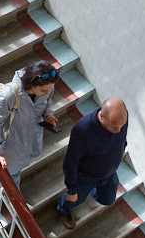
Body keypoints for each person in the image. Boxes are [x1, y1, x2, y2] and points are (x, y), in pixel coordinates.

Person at [55, 98, 128, 230]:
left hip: (109, 172)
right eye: (113, 127)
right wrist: (72, 190)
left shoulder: (120, 120)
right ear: (102, 116)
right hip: (86, 176)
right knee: (74, 199)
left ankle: (89, 190)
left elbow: (122, 137)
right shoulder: (83, 130)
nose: (118, 130)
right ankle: (63, 209)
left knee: (108, 200)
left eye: (121, 126)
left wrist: (122, 148)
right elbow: (70, 163)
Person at [0, 61, 62, 185]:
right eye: (43, 90)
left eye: (50, 89)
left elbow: (48, 100)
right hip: (11, 144)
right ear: (31, 84)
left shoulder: (46, 88)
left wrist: (47, 114)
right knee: (10, 176)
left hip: (28, 139)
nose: (47, 93)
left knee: (17, 169)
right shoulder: (8, 96)